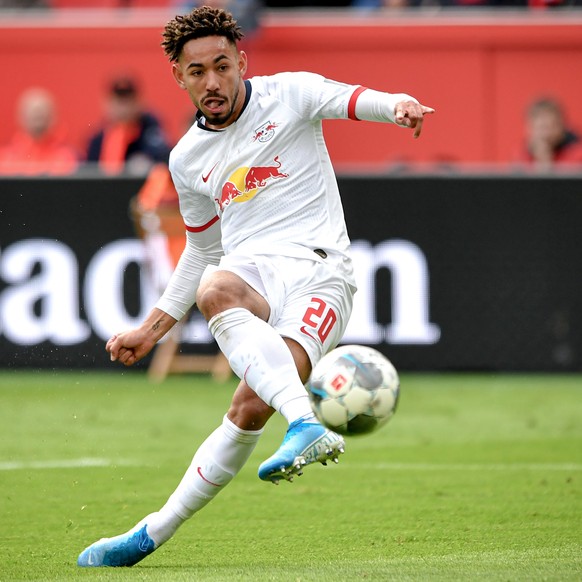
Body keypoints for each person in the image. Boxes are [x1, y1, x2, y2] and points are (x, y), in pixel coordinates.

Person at [77, 5, 434, 568]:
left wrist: (398, 107)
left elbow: (352, 99)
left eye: (222, 65)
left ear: (242, 61)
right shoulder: (186, 158)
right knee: (214, 288)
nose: (212, 81)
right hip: (253, 271)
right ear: (179, 77)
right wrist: (151, 329)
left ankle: (158, 526)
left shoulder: (289, 93)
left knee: (249, 404)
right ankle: (293, 433)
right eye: (198, 72)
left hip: (321, 271)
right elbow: (201, 249)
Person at [86, 76, 172, 175]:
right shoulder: (97, 139)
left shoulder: (151, 131)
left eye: (128, 101)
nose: (124, 108)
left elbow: (164, 159)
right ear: (107, 103)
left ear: (139, 102)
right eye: (119, 101)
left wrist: (149, 163)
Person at [0, 88, 78, 176]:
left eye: (42, 111)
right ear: (20, 117)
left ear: (54, 117)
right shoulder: (5, 159)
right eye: (32, 110)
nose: (38, 111)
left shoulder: (67, 157)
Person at [516, 97, 582, 171]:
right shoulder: (523, 158)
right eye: (541, 128)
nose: (546, 134)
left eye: (550, 127)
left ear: (562, 126)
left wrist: (545, 163)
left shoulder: (577, 156)